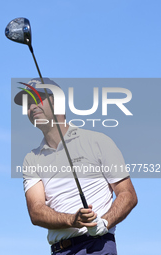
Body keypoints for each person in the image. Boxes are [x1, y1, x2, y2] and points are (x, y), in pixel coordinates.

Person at [14, 78, 138, 255]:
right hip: (60, 251)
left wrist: (105, 222)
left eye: (38, 100)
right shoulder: (31, 158)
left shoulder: (97, 141)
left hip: (97, 247)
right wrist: (72, 220)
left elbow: (128, 194)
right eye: (27, 104)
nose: (31, 107)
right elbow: (36, 211)